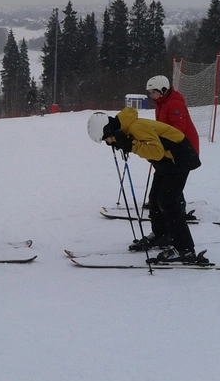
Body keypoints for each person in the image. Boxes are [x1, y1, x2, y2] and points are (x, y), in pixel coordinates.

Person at [87, 108, 205, 264]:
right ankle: (162, 234)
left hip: (179, 159)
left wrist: (131, 145)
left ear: (109, 130)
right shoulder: (126, 128)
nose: (108, 142)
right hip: (167, 162)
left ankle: (185, 249)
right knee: (155, 199)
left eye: (106, 138)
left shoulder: (136, 127)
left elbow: (156, 152)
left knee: (168, 201)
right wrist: (127, 143)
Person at [145, 75, 200, 223]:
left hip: (184, 149)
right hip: (173, 148)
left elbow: (178, 129)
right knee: (169, 177)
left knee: (173, 178)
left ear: (163, 90)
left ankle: (177, 208)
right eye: (150, 93)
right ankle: (168, 204)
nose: (151, 95)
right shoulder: (162, 103)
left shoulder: (174, 104)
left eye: (153, 92)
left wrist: (160, 143)